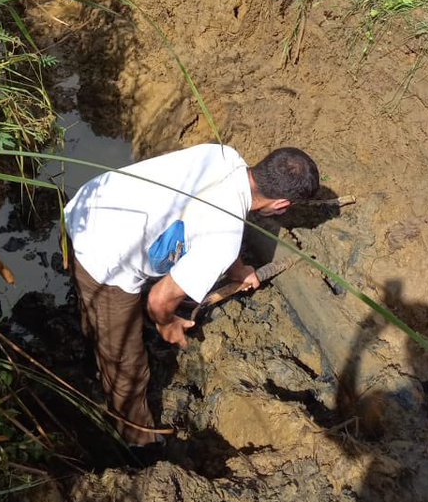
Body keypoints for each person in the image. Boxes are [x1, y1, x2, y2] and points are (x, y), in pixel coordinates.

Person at [64, 142, 319, 457]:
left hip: (92, 202)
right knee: (129, 365)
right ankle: (138, 441)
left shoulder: (224, 156)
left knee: (99, 321)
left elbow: (220, 223)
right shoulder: (221, 240)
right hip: (102, 256)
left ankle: (95, 343)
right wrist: (168, 324)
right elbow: (158, 300)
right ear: (282, 203)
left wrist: (239, 270)